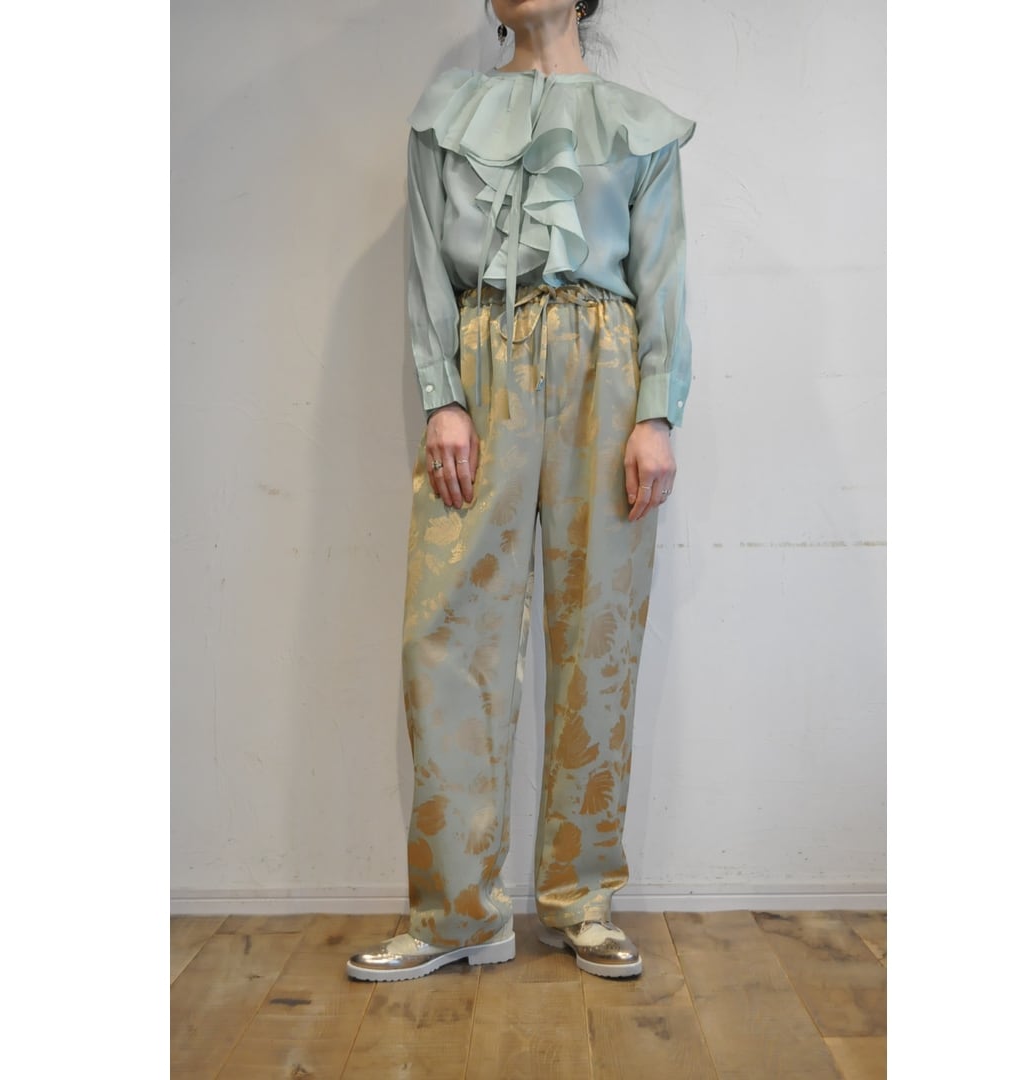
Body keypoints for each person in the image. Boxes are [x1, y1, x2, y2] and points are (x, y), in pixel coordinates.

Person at [346, 0, 695, 982]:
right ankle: (458, 913)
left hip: (606, 372)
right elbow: (425, 267)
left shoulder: (641, 126)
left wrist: (657, 412)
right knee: (448, 635)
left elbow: (663, 275)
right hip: (483, 366)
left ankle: (581, 899)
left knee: (599, 634)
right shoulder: (445, 115)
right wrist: (441, 397)